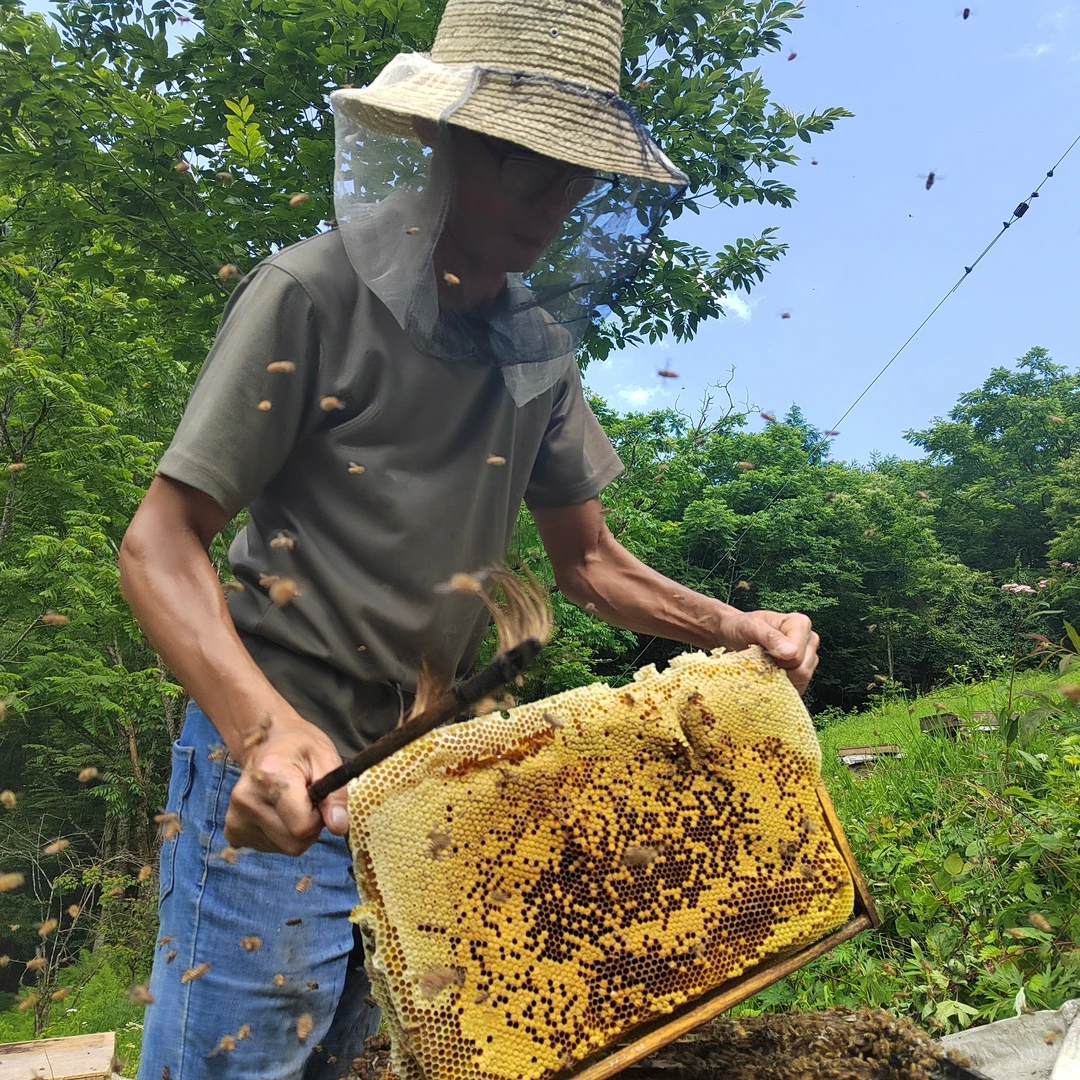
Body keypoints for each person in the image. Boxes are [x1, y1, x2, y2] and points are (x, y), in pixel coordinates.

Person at [119, 0, 820, 1074]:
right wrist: (260, 732)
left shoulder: (537, 351)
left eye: (574, 168)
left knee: (356, 1054)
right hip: (275, 751)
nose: (552, 194)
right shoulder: (310, 294)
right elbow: (161, 542)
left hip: (420, 771)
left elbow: (588, 561)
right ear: (439, 133)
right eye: (519, 156)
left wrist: (737, 628)